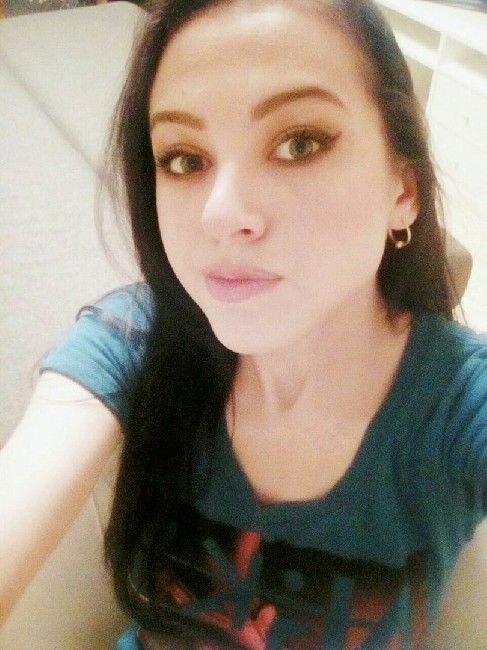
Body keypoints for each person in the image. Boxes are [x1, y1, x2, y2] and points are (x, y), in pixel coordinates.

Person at [1, 0, 486, 647]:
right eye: (184, 158)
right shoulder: (133, 340)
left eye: (299, 143)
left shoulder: (457, 403)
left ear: (403, 188)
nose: (220, 215)